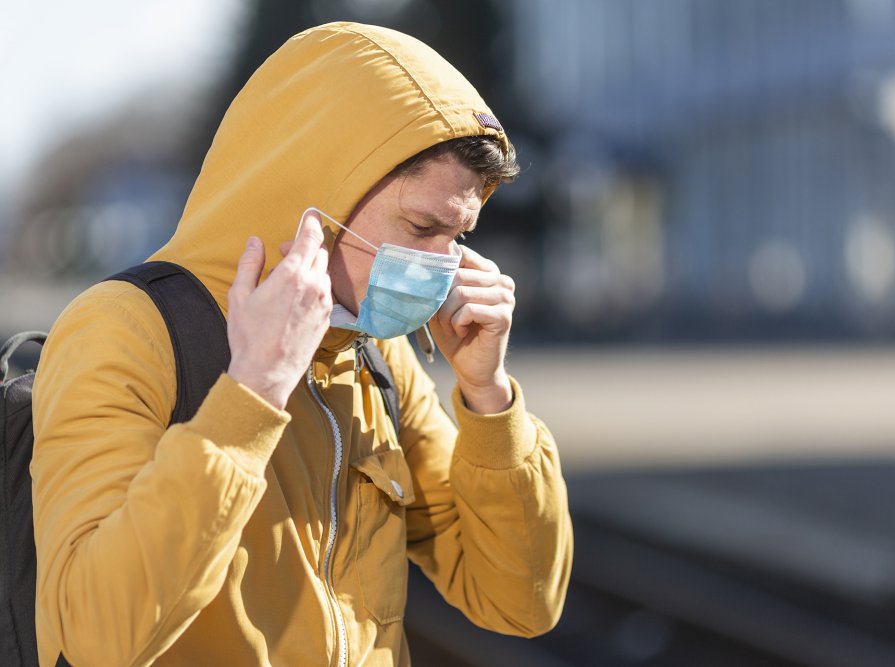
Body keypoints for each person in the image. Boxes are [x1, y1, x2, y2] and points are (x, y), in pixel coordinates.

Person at [31, 22, 572, 666]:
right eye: (422, 227)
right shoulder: (123, 330)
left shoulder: (373, 354)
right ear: (316, 194)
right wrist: (253, 391)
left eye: (456, 237)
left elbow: (519, 600)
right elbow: (97, 634)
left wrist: (488, 397)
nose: (442, 265)